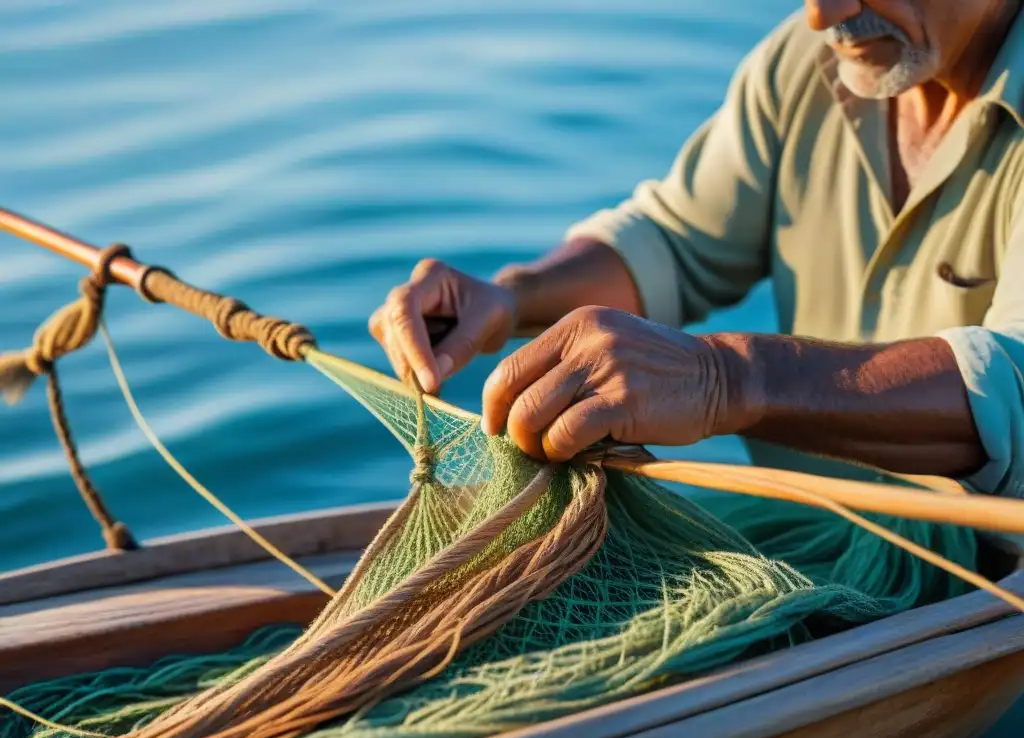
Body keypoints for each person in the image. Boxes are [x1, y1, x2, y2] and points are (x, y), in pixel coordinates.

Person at [369, 0, 1024, 502]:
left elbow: (1014, 386)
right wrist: (513, 296)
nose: (824, 14)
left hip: (997, 595)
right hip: (809, 541)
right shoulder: (807, 60)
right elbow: (676, 243)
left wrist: (725, 379)